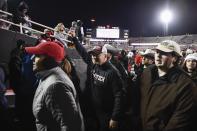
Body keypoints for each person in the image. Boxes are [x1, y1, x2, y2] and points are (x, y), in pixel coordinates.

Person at [69, 30, 124, 131]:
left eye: (97, 55)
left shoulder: (112, 72)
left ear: (105, 56)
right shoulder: (94, 64)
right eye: (93, 55)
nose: (94, 57)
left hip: (106, 113)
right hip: (94, 109)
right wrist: (74, 39)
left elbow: (119, 95)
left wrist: (115, 117)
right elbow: (83, 53)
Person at [25, 41, 84, 131]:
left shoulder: (56, 86)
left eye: (37, 55)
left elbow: (71, 126)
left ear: (49, 60)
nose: (32, 59)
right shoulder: (48, 77)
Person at [138, 40, 196, 131]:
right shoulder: (147, 72)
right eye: (157, 52)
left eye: (163, 53)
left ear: (175, 58)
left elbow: (180, 121)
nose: (158, 55)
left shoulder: (186, 84)